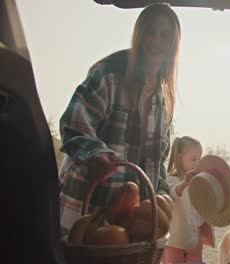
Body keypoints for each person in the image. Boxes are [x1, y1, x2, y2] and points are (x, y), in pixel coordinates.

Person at [58, 3, 180, 239]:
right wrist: (95, 154)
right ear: (139, 35)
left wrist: (161, 196)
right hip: (85, 212)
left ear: (172, 46)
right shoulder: (109, 75)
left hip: (124, 226)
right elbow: (74, 124)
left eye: (165, 36)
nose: (156, 42)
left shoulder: (161, 101)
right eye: (150, 32)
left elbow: (158, 163)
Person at [162, 136, 215, 264]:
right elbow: (174, 193)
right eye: (193, 159)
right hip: (174, 241)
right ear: (180, 157)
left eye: (199, 159)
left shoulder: (196, 183)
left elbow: (198, 209)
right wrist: (185, 182)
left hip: (193, 240)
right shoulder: (171, 179)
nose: (197, 164)